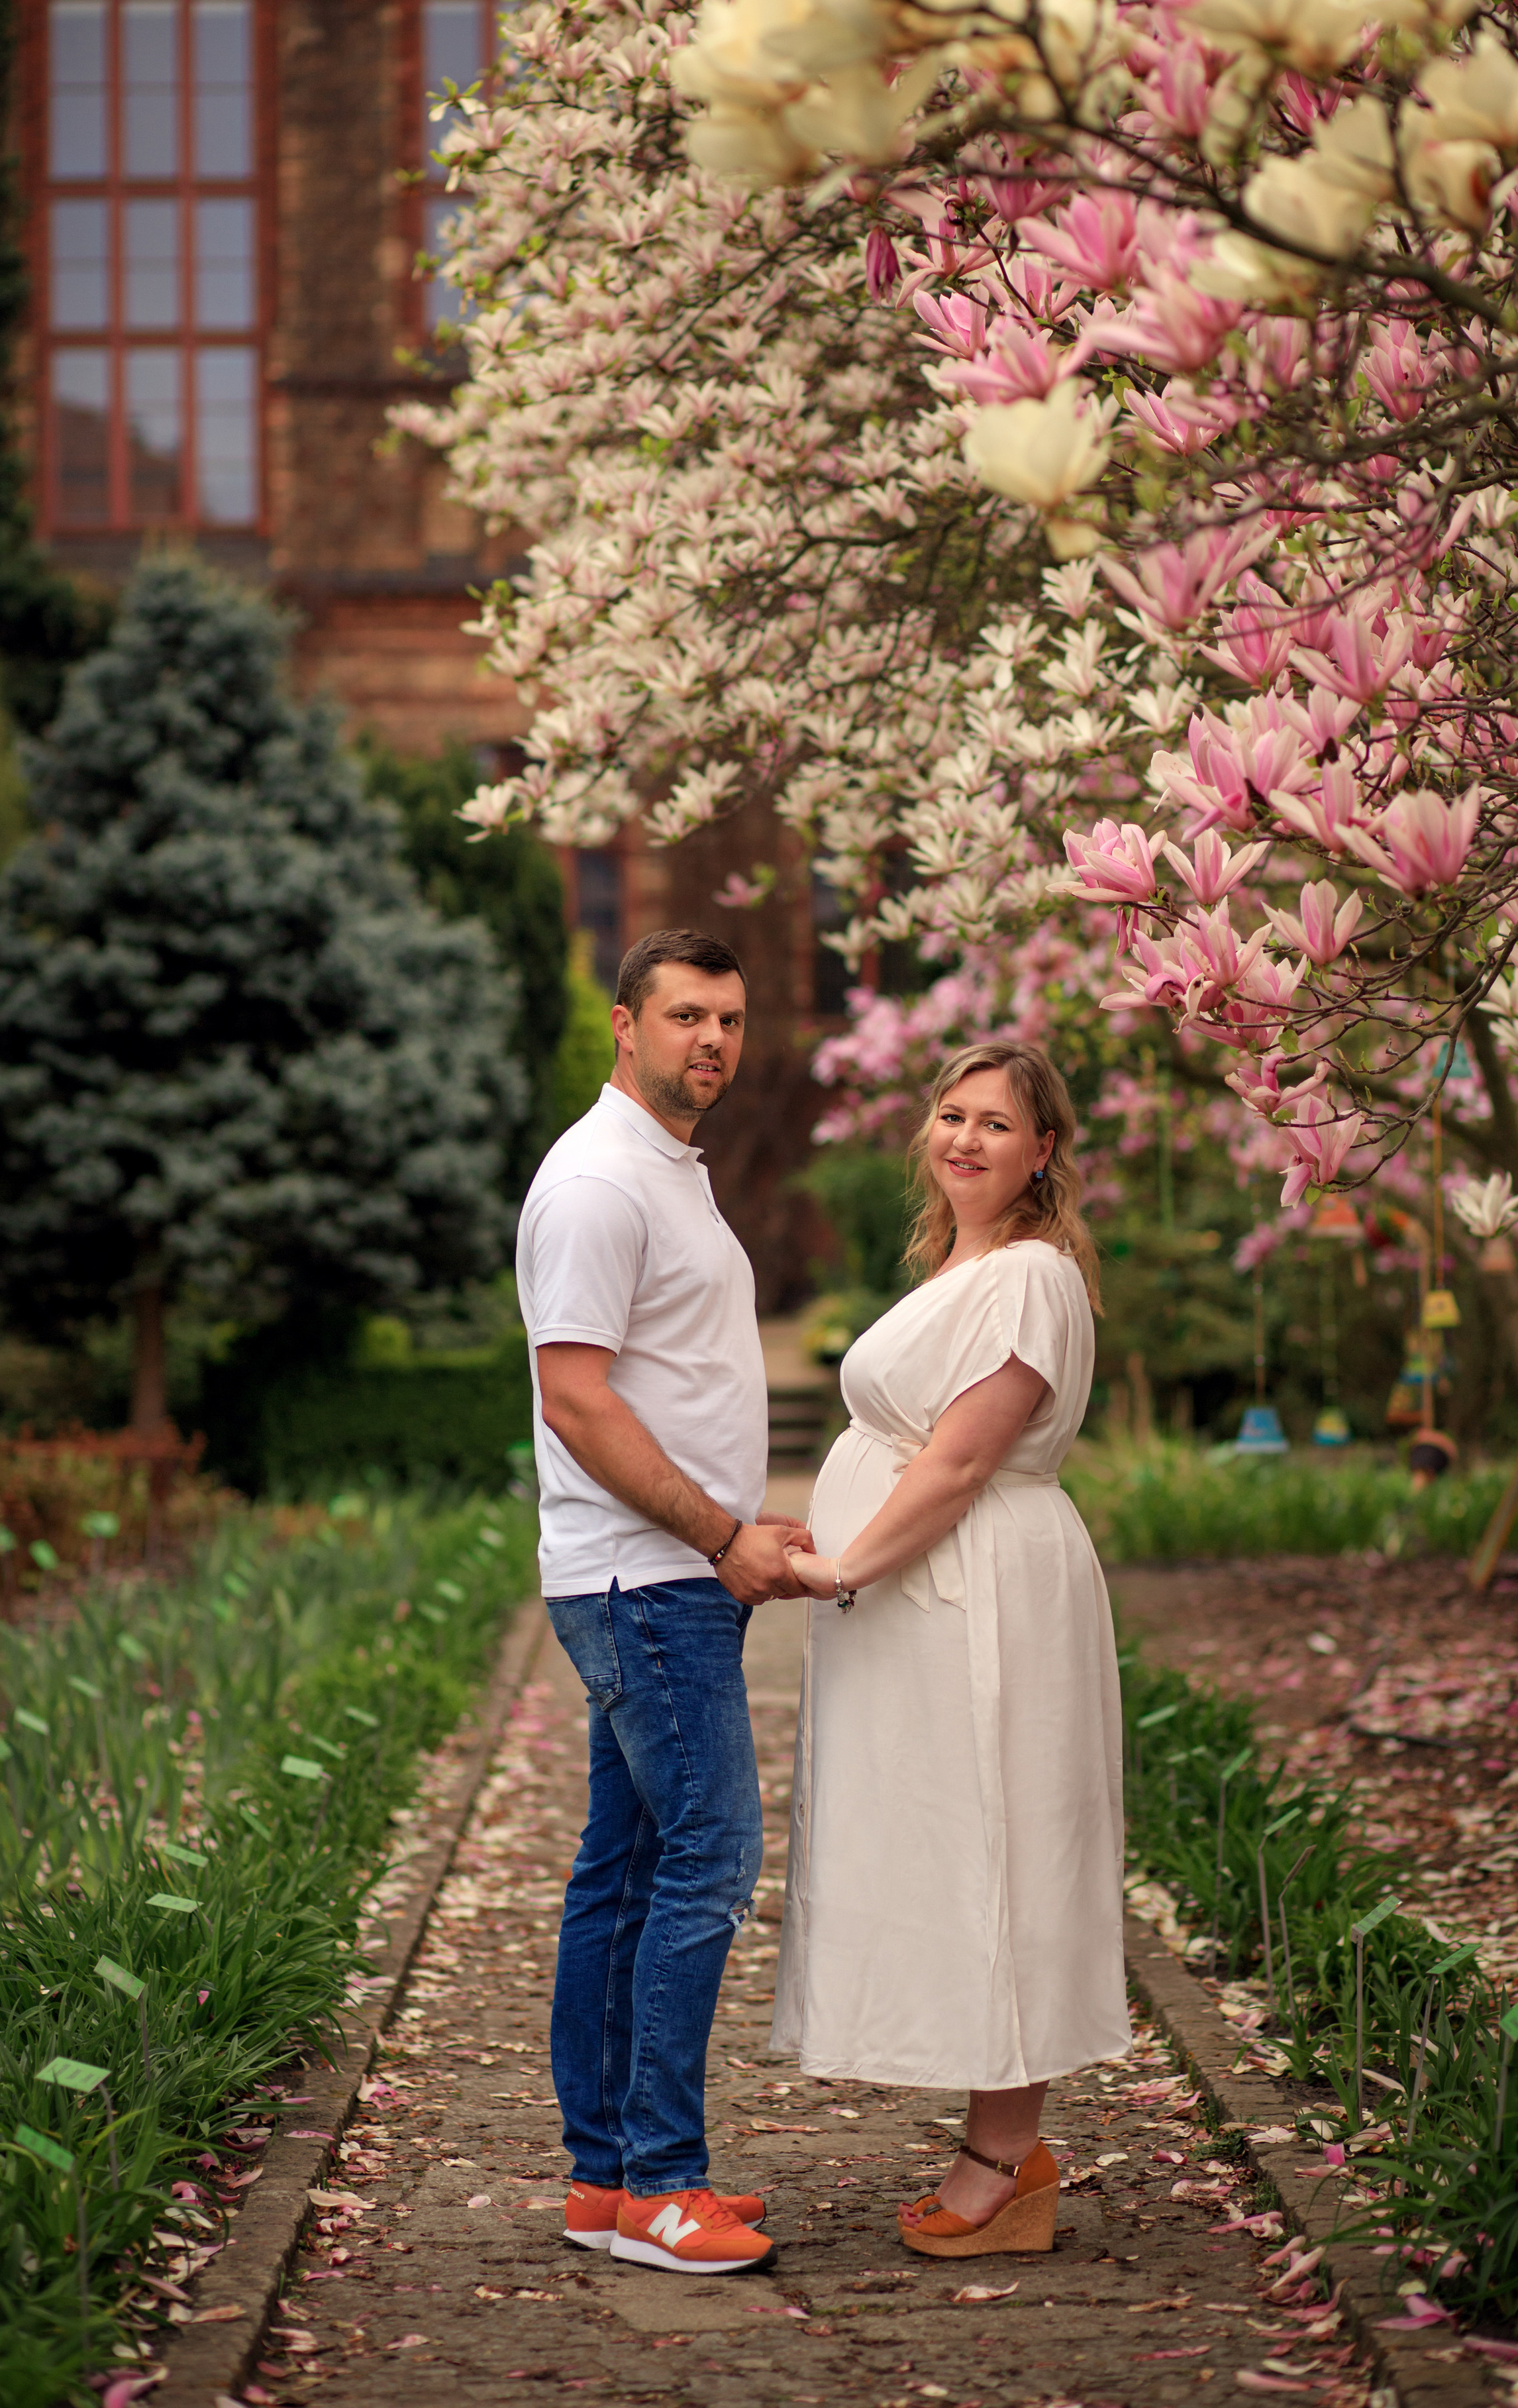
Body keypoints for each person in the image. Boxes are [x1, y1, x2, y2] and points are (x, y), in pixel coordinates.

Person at [770, 1039, 1131, 2259]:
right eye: (951, 1115)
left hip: (974, 1592)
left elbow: (964, 1461)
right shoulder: (960, 1265)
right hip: (925, 1596)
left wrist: (844, 1566)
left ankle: (1007, 2158)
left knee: (1003, 1844)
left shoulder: (1030, 1275)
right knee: (953, 1846)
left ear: (1045, 1153)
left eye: (997, 1123)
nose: (966, 1138)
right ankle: (1001, 2143)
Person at [517, 926, 812, 2277]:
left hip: (666, 1573)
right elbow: (575, 1400)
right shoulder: (593, 1184)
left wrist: (742, 1528)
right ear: (622, 1028)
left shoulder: (665, 1171)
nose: (711, 1040)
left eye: (729, 1019)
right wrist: (718, 1533)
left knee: (626, 1875)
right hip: (650, 1576)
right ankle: (662, 2189)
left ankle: (606, 2181)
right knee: (707, 1862)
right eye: (684, 1015)